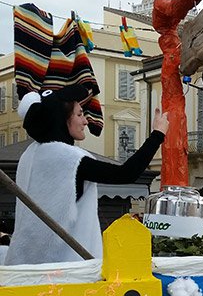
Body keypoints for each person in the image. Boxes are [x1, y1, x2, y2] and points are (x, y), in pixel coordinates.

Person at [6, 86, 168, 265]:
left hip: (23, 263)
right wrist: (157, 135)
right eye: (79, 114)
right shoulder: (68, 158)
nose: (85, 121)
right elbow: (126, 173)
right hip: (65, 267)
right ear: (61, 119)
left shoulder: (29, 155)